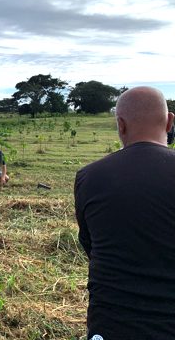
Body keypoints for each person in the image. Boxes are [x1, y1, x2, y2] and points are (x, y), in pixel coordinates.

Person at [74, 86, 175, 339]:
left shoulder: (89, 176)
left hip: (111, 324)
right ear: (170, 121)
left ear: (120, 125)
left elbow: (91, 246)